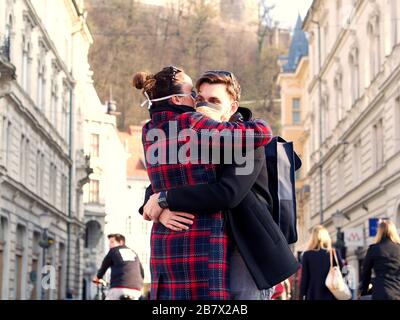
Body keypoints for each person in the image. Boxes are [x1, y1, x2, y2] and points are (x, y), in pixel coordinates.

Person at [139, 70, 299, 300]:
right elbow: (161, 182)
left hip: (246, 251)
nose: (204, 106)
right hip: (211, 247)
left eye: (214, 101)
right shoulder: (195, 134)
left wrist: (165, 199)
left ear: (232, 107)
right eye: (201, 99)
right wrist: (157, 209)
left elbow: (228, 193)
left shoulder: (248, 142)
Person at [93, 234, 144, 300]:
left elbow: (103, 267)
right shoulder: (133, 253)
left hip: (119, 287)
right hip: (136, 289)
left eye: (112, 242)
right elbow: (142, 273)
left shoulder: (113, 251)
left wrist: (97, 277)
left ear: (121, 242)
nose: (109, 245)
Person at [299, 225, 344, 300]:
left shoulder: (307, 255)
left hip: (313, 293)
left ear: (313, 238)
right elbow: (342, 271)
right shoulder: (333, 253)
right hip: (332, 293)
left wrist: (301, 295)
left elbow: (305, 278)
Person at [359, 219, 400, 300]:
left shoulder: (373, 249)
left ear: (379, 232)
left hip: (380, 292)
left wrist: (364, 291)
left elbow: (365, 272)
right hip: (397, 293)